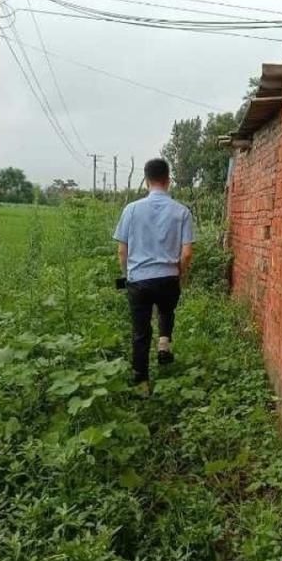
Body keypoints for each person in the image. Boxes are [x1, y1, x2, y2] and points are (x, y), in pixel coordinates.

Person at [113, 158, 195, 393]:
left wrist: (127, 275)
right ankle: (164, 343)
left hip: (138, 280)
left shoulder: (131, 209)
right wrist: (180, 274)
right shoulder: (182, 211)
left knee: (140, 331)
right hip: (168, 277)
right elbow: (187, 253)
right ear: (168, 180)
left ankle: (141, 383)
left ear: (147, 181)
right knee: (167, 310)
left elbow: (122, 249)